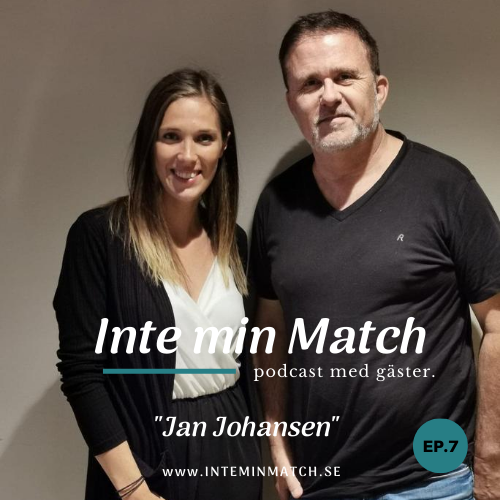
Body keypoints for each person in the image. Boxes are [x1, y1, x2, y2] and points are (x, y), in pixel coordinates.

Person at [251, 10, 500, 500]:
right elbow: (270, 329)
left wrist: (492, 463)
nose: (329, 95)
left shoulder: (445, 187)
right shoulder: (276, 205)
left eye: (345, 76)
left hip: (433, 482)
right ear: (291, 103)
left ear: (379, 89)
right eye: (310, 83)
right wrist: (275, 445)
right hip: (319, 485)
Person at [54, 69, 261, 500]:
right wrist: (134, 490)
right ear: (149, 143)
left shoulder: (234, 242)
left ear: (224, 145)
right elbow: (82, 374)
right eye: (171, 137)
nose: (187, 156)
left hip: (232, 452)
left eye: (204, 138)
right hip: (145, 464)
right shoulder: (101, 236)